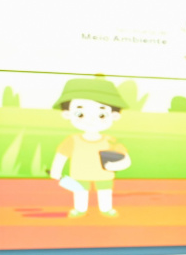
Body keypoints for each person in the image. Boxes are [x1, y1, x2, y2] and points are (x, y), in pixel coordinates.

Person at [49, 76, 132, 218]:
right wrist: (56, 171)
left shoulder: (111, 141)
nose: (91, 120)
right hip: (80, 173)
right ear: (67, 114)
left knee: (105, 192)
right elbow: (61, 156)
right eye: (80, 114)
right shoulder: (73, 140)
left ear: (115, 115)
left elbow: (125, 159)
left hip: (104, 175)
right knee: (80, 191)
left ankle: (106, 209)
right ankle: (80, 209)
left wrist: (118, 164)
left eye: (101, 114)